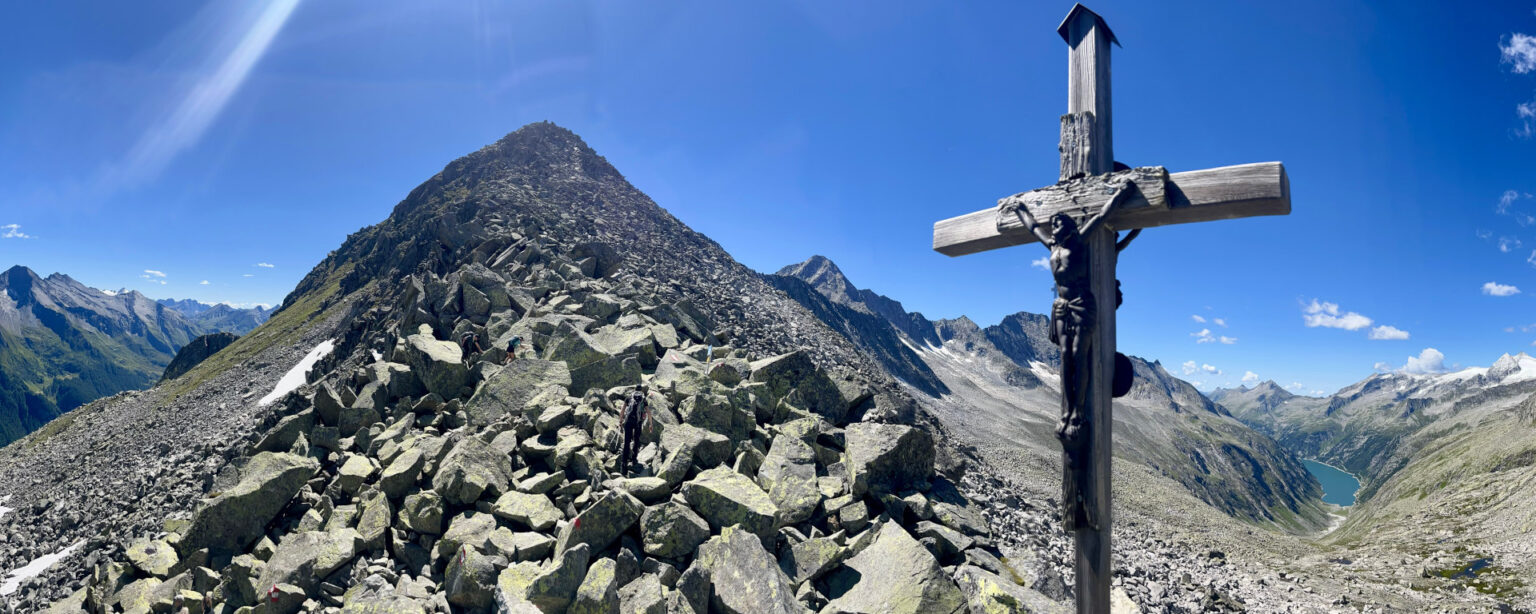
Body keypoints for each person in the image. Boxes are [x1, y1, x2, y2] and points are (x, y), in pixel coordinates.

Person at [619, 384, 649, 475]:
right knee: (636, 441)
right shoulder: (643, 399)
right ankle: (634, 459)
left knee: (627, 442)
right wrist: (650, 424)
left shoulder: (629, 398)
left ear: (634, 390)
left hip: (628, 422)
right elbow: (649, 412)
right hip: (638, 423)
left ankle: (624, 464)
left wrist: (620, 421)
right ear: (641, 390)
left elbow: (623, 410)